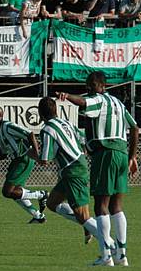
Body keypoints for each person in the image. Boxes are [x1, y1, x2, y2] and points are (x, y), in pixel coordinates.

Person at [57, 71, 140, 267]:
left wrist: (67, 96)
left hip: (105, 153)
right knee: (116, 206)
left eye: (93, 86)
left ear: (103, 87)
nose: (89, 89)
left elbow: (84, 103)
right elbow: (135, 128)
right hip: (120, 153)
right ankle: (122, 255)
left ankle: (106, 256)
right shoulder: (118, 103)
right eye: (88, 85)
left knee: (100, 205)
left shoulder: (99, 100)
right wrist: (132, 156)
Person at [27, 97, 99, 245]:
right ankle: (86, 225)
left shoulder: (47, 130)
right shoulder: (66, 123)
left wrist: (28, 153)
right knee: (52, 203)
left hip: (72, 170)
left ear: (40, 114)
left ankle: (110, 243)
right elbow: (83, 139)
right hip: (74, 168)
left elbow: (44, 160)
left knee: (82, 215)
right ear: (56, 110)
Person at [0, 105, 48, 224]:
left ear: (0, 116)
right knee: (15, 192)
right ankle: (38, 216)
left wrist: (36, 152)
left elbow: (30, 134)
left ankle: (41, 195)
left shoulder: (7, 126)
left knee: (7, 191)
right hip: (17, 161)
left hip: (24, 158)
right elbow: (1, 154)